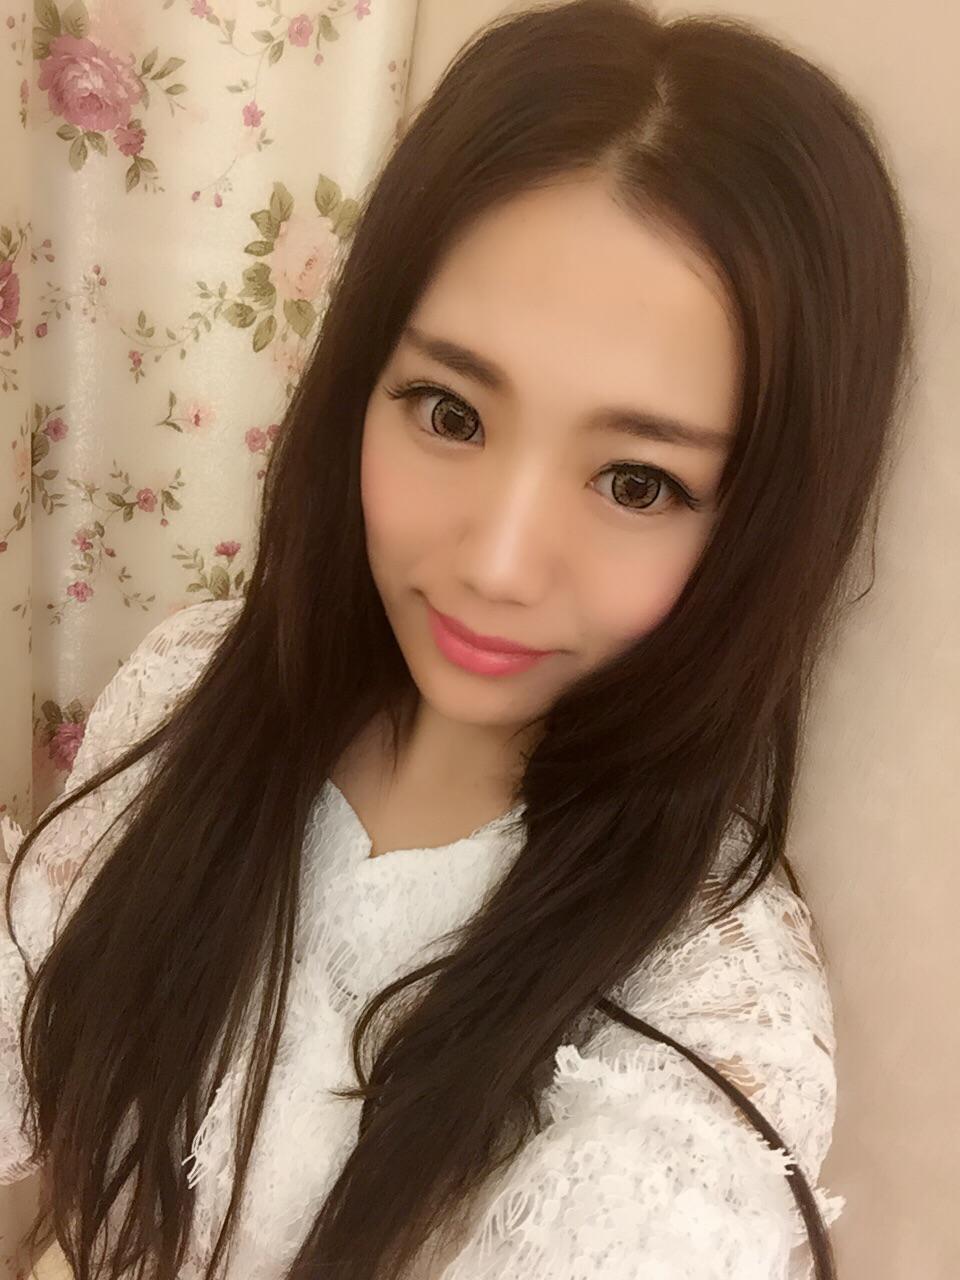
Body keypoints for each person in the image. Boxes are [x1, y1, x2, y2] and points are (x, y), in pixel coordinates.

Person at [0, 1, 914, 1278]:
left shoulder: (699, 1013)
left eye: (637, 481)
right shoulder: (194, 681)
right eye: (449, 411)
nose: (495, 563)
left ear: (758, 525)